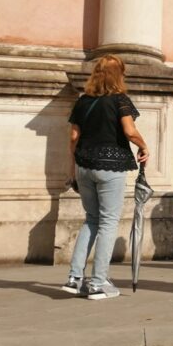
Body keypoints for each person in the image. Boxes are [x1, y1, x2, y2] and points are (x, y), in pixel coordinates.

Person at [62, 54, 148, 300]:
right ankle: (98, 282)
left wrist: (73, 170)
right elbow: (130, 131)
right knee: (109, 222)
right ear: (119, 75)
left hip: (84, 165)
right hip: (110, 166)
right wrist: (144, 146)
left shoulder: (83, 101)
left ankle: (74, 278)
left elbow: (73, 138)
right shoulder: (120, 100)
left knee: (91, 219)